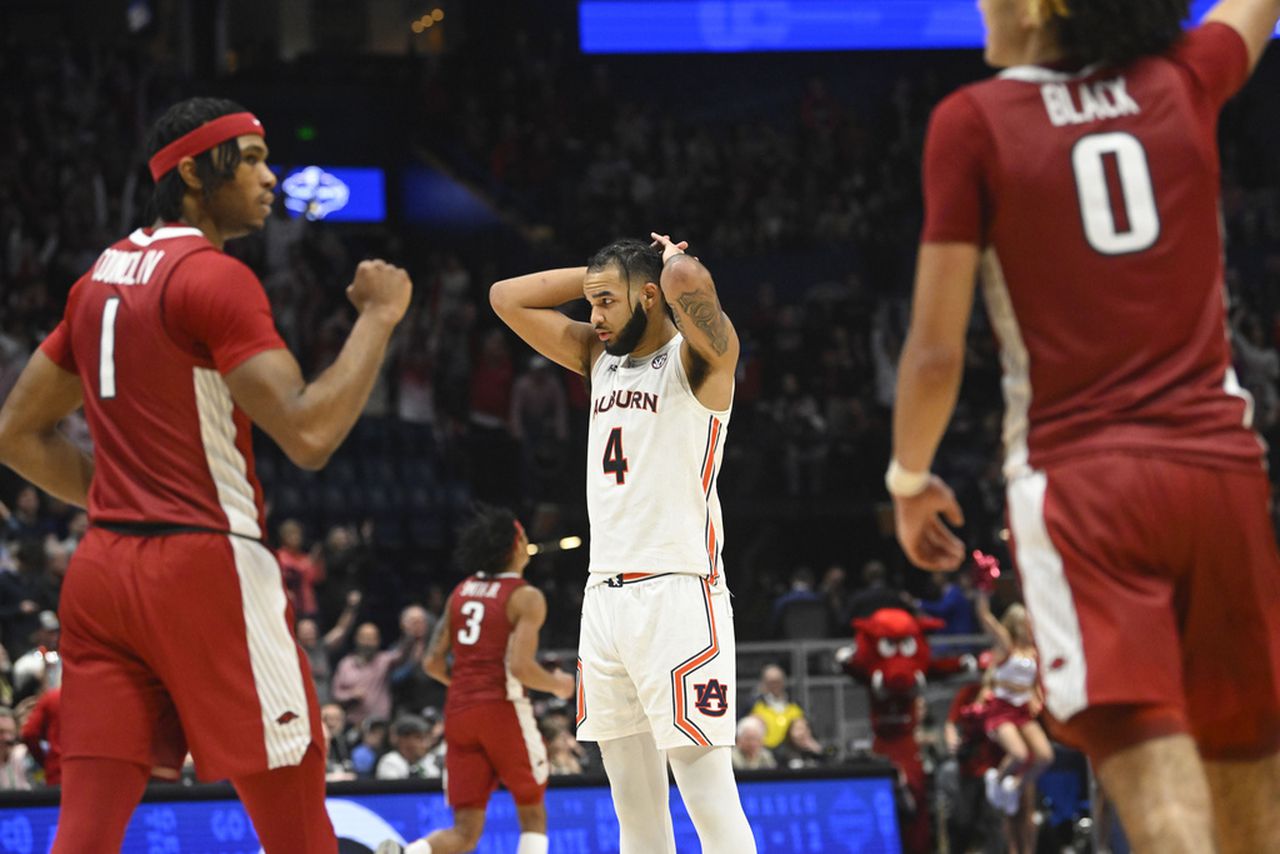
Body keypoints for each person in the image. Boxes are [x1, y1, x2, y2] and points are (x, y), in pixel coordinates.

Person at [886, 2, 1280, 852]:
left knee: (1164, 804)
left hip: (1085, 486)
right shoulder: (1182, 78)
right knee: (1251, 781)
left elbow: (932, 355)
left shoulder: (974, 122)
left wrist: (909, 481)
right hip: (1221, 474)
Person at [0, 96, 412, 852]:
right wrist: (378, 319)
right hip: (205, 568)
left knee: (84, 832)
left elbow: (15, 434)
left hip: (102, 574)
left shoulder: (97, 278)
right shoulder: (212, 277)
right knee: (296, 819)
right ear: (193, 170)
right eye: (250, 159)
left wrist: (125, 497)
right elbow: (311, 433)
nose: (269, 176)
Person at [489, 235, 755, 853]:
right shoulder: (597, 356)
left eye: (607, 302)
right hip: (604, 599)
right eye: (590, 303)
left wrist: (670, 262)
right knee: (632, 806)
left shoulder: (698, 364)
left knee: (707, 796)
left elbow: (691, 280)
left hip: (679, 594)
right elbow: (506, 298)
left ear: (652, 296)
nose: (594, 317)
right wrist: (599, 276)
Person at [378, 504, 575, 854]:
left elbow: (432, 662)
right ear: (513, 546)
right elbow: (520, 668)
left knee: (465, 831)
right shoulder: (525, 596)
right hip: (503, 709)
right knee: (533, 814)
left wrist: (467, 689)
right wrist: (559, 684)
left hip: (459, 712)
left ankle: (409, 853)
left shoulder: (462, 591)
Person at [976, 594, 1052, 852]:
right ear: (1016, 623)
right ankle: (996, 781)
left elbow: (1036, 685)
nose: (1029, 628)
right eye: (1025, 623)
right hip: (1001, 711)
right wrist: (982, 590)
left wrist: (1036, 698)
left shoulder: (1035, 651)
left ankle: (1013, 786)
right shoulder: (1006, 646)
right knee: (1019, 754)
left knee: (1044, 756)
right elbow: (986, 617)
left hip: (1022, 713)